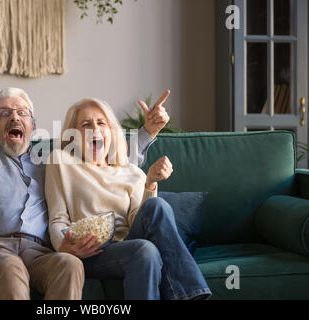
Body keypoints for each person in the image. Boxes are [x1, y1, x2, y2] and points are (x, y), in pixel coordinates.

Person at [0, 1, 168, 300]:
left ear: (33, 125)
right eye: (5, 113)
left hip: (38, 253)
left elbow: (107, 164)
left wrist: (148, 132)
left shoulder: (52, 162)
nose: (15, 117)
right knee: (10, 269)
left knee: (70, 265)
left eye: (22, 113)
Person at [45, 98, 212, 300]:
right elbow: (57, 219)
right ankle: (191, 294)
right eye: (85, 125)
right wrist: (63, 246)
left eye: (101, 123)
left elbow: (138, 220)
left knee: (156, 208)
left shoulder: (132, 172)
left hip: (129, 242)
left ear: (111, 132)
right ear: (73, 136)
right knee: (145, 250)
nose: (94, 130)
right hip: (92, 251)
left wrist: (149, 183)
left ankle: (191, 295)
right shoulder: (62, 162)